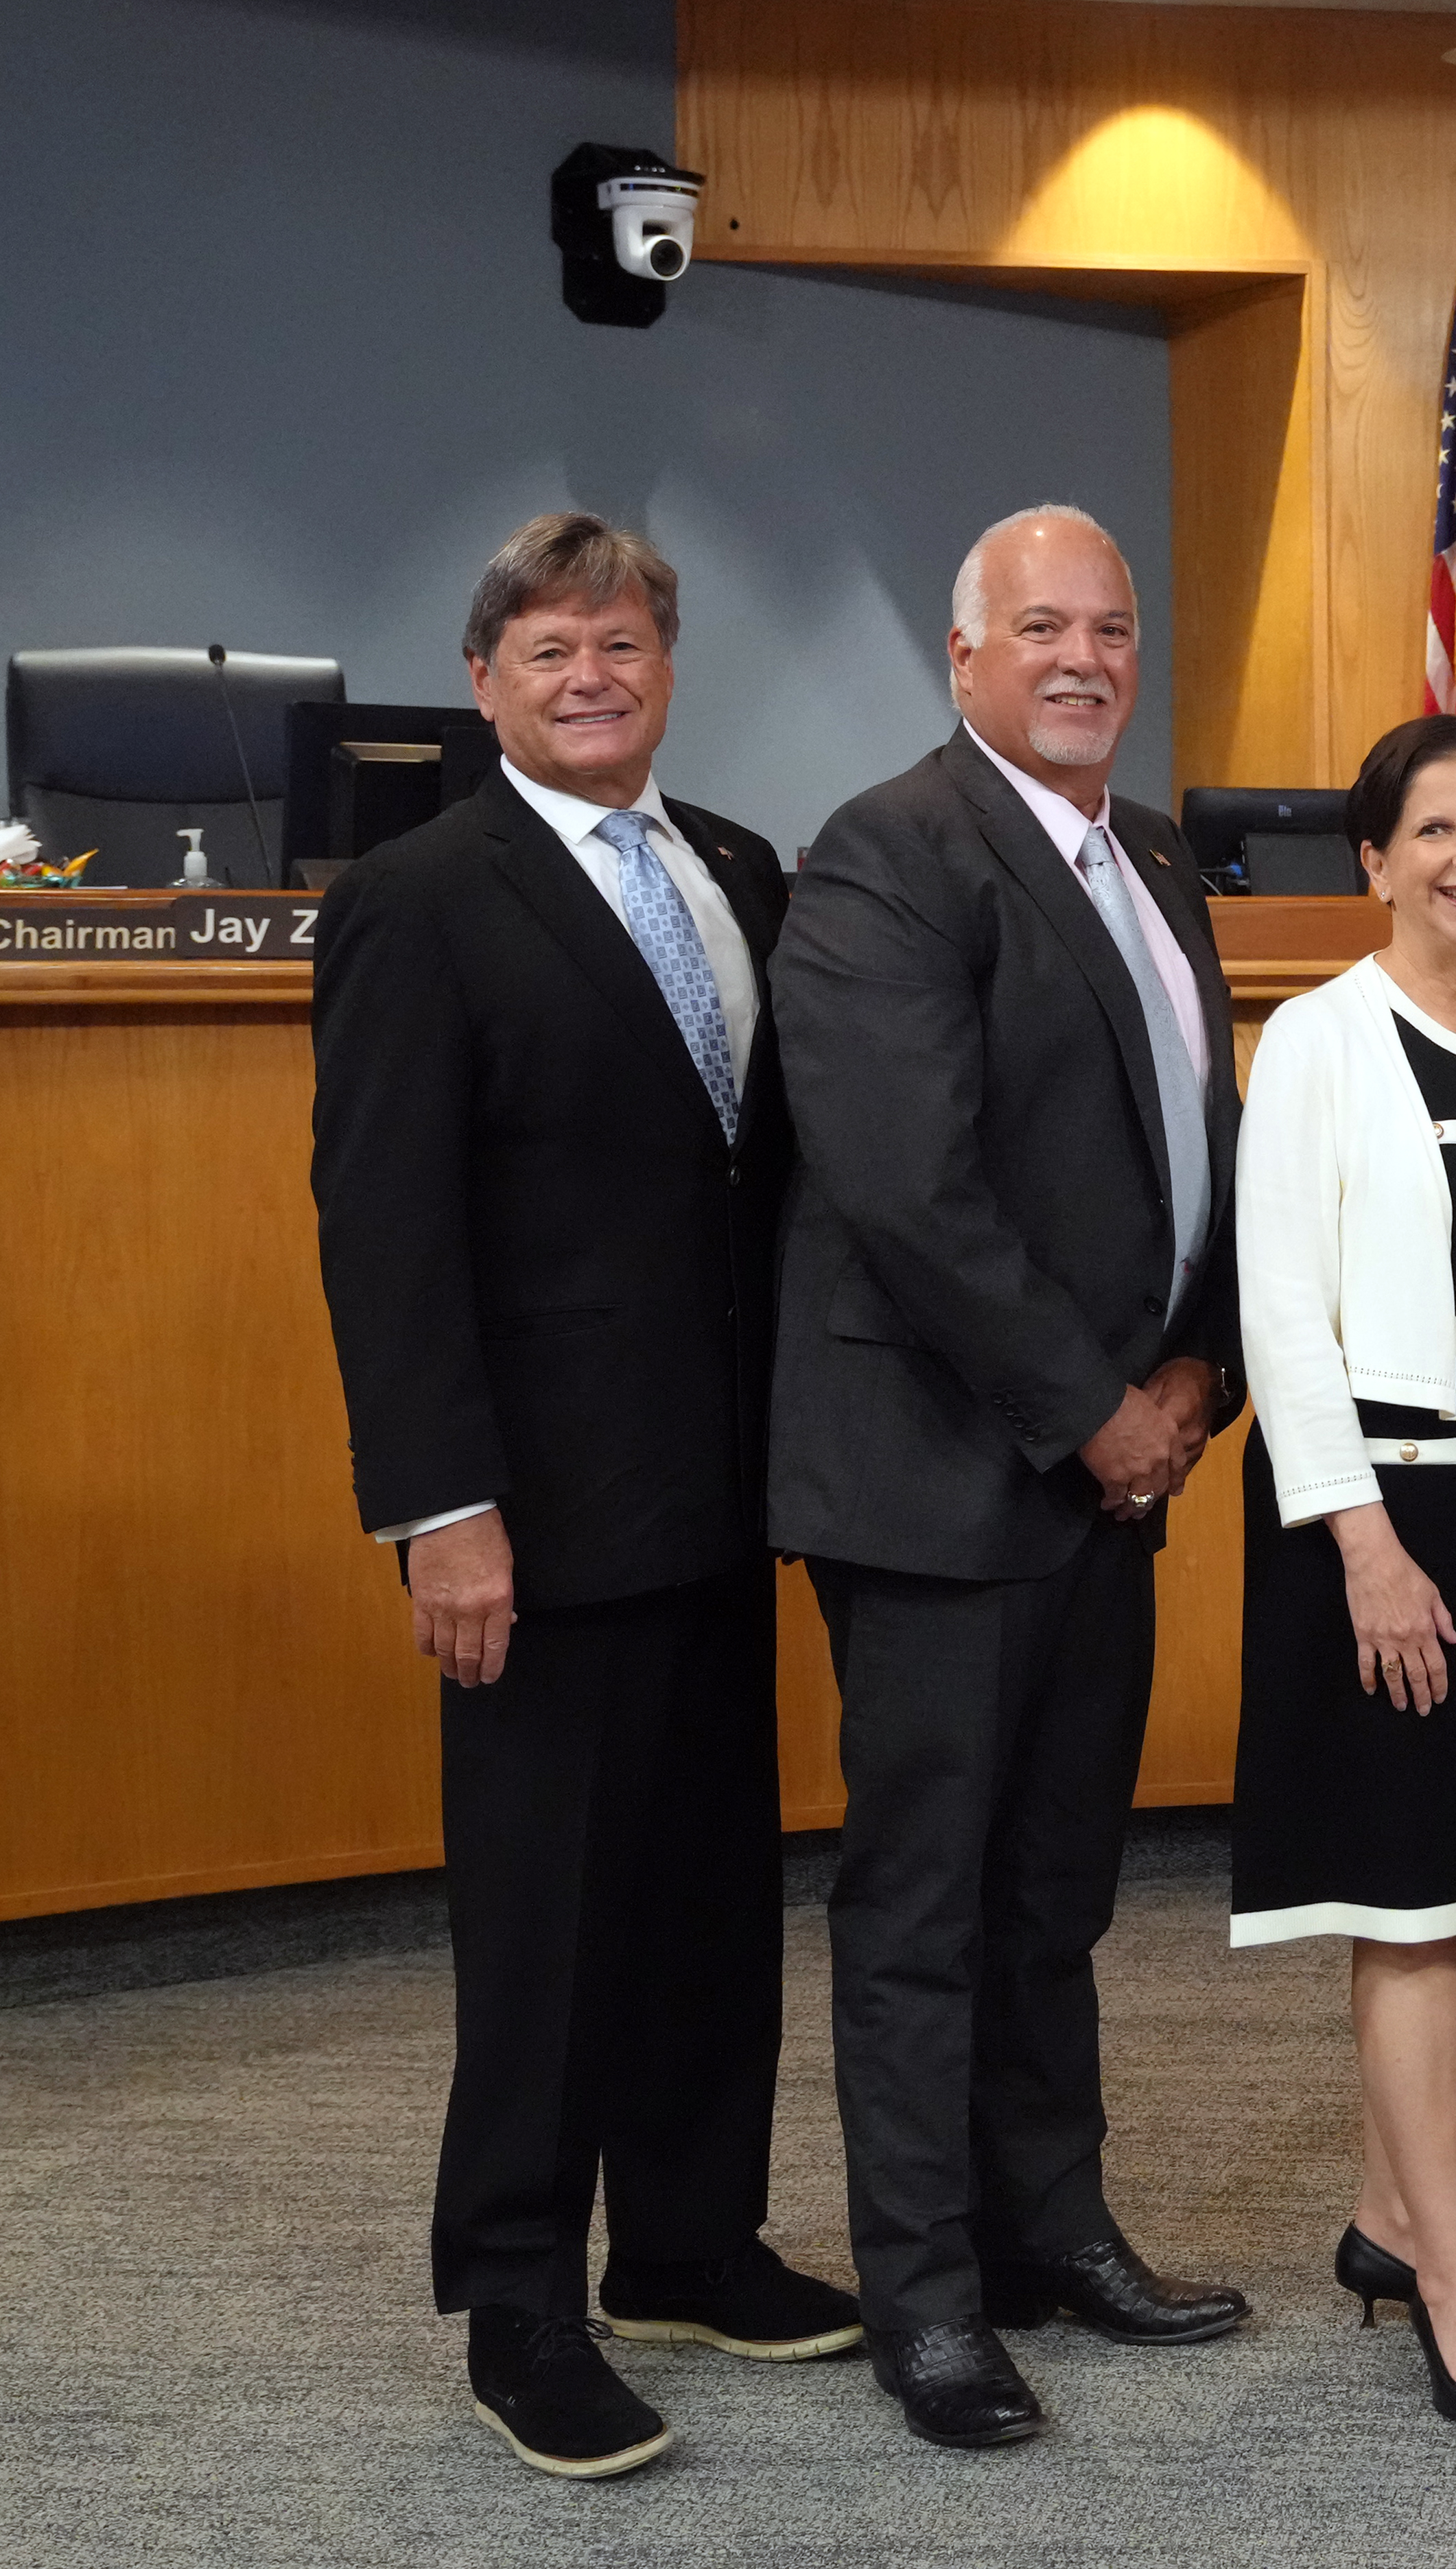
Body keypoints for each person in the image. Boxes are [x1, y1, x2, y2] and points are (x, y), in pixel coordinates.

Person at [309, 513, 860, 2479]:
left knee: (713, 1894)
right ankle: (519, 2300)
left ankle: (691, 2243)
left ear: (666, 667)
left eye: (620, 643)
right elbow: (385, 1240)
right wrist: (438, 1509)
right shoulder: (416, 899)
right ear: (484, 684)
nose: (590, 675)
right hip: (532, 1521)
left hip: (724, 1496)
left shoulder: (734, 870)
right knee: (544, 1922)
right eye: (549, 650)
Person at [769, 503, 1251, 2451]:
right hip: (941, 1472)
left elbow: (1190, 1140)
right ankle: (933, 2298)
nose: (1080, 658)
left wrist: (1197, 1365)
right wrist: (1095, 1407)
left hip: (1103, 1472)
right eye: (1038, 628)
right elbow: (909, 1187)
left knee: (1053, 1892)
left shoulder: (1147, 854)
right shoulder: (891, 850)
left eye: (1111, 628)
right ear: (961, 660)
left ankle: (1052, 2230)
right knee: (924, 1906)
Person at [1228, 714, 1456, 2442]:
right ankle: (1455, 2289)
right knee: (1409, 1901)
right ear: (1370, 859)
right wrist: (1361, 1539)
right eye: (1433, 829)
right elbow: (1280, 1306)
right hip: (1390, 1513)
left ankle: (1392, 2223)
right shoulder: (1314, 1040)